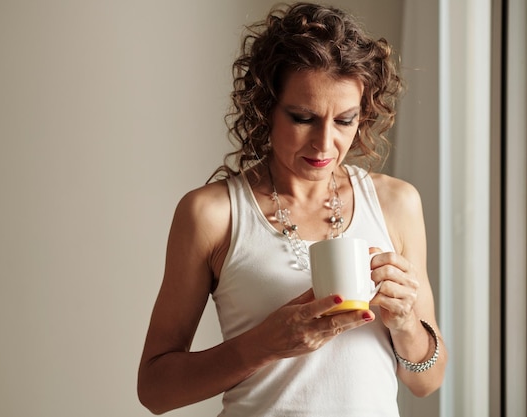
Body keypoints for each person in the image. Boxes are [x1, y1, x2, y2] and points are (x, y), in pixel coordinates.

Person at [138, 2, 447, 416]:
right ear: (266, 107)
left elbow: (427, 381)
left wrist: (407, 323)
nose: (324, 145)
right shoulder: (211, 214)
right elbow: (155, 390)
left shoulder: (396, 202)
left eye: (344, 121)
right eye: (303, 117)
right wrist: (263, 344)